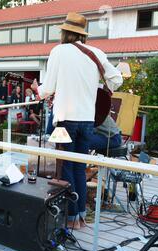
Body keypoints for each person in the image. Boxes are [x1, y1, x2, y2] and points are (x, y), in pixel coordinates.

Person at [32, 12, 123, 229]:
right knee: (80, 168)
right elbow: (116, 79)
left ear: (64, 31)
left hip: (65, 121)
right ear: (83, 34)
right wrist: (99, 92)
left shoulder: (58, 52)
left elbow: (48, 89)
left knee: (66, 169)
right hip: (87, 122)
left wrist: (37, 90)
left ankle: (71, 219)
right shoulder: (96, 52)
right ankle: (80, 215)